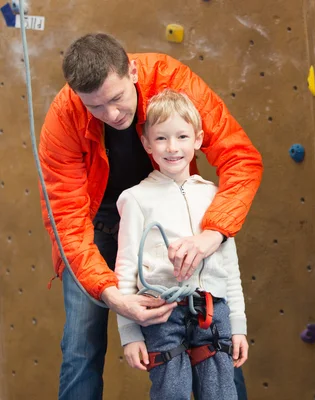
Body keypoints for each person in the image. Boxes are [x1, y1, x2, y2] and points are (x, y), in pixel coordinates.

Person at [38, 33, 261, 400]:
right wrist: (112, 295)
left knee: (213, 335)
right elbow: (67, 221)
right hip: (97, 230)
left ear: (134, 71)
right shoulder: (63, 119)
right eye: (95, 107)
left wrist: (213, 234)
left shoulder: (172, 81)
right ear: (78, 97)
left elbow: (240, 158)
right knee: (80, 346)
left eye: (116, 99)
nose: (111, 115)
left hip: (171, 222)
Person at [115, 88, 248, 399]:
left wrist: (238, 324)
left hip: (215, 311)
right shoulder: (135, 199)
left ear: (198, 139)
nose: (172, 147)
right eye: (161, 138)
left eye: (182, 137)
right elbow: (124, 270)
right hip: (162, 312)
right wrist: (129, 332)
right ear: (146, 143)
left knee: (220, 393)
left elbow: (230, 267)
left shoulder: (215, 196)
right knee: (171, 392)